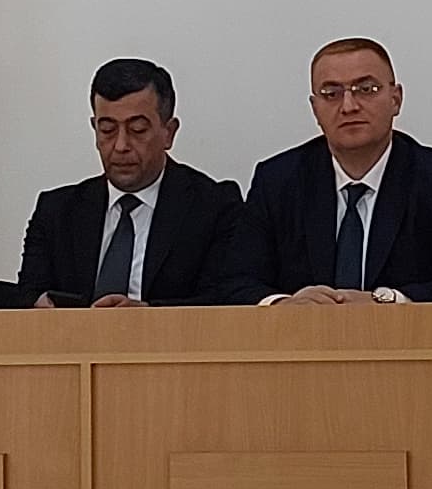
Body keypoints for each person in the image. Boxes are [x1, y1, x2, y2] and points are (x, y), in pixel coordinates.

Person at [242, 37, 432, 303]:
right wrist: (285, 305)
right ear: (315, 109)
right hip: (303, 330)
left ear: (396, 99)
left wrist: (384, 301)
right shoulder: (277, 180)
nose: (349, 106)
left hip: (409, 330)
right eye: (331, 94)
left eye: (366, 89)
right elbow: (236, 281)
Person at [15, 59, 262, 307]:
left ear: (169, 132)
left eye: (138, 130)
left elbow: (224, 300)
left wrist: (146, 316)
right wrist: (38, 304)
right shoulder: (57, 211)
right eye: (107, 130)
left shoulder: (214, 207)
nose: (121, 146)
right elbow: (27, 294)